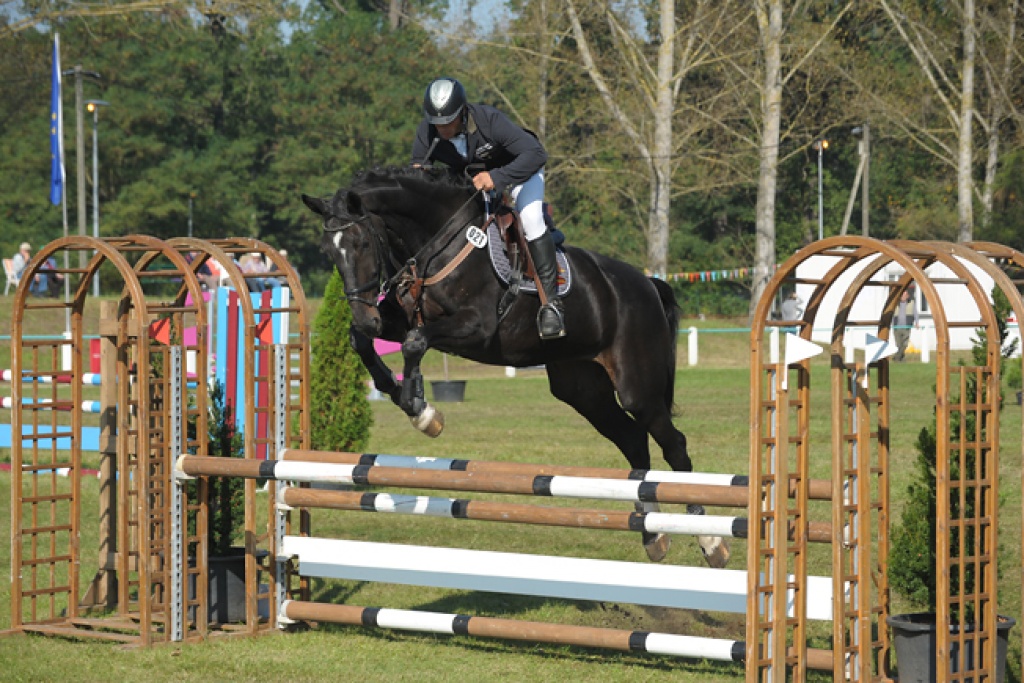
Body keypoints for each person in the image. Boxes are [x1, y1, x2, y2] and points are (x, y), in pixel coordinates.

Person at [411, 77, 565, 339]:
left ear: (462, 112)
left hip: (519, 172)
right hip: (475, 184)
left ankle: (551, 305)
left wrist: (497, 177)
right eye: (437, 123)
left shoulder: (489, 121)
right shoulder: (427, 131)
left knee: (531, 219)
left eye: (448, 121)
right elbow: (418, 173)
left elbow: (537, 154)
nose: (442, 128)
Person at [893, 288, 918, 362]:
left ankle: (896, 357)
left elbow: (915, 313)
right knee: (898, 344)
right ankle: (901, 359)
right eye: (902, 295)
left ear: (907, 296)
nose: (903, 296)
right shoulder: (895, 303)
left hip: (906, 327)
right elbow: (891, 314)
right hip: (896, 327)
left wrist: (917, 322)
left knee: (905, 344)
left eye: (905, 295)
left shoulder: (911, 303)